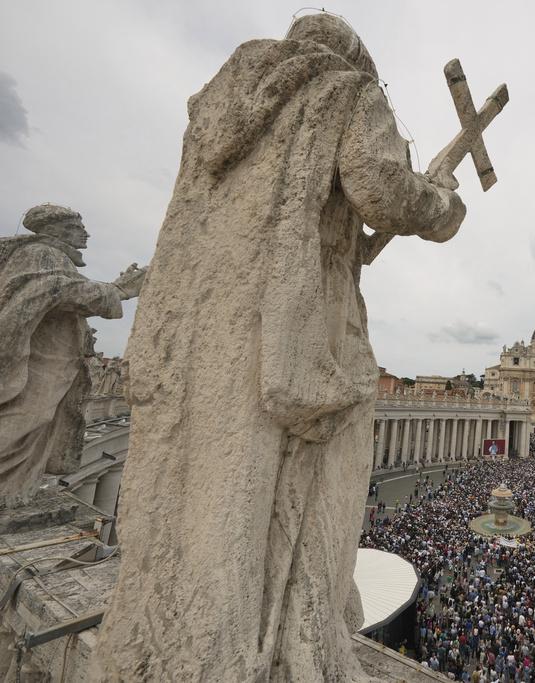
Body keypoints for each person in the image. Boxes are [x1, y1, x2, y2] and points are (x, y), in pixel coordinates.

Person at [91, 13, 465, 682]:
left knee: (212, 485)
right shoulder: (346, 90)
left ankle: (185, 640)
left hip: (211, 323)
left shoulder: (224, 106)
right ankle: (295, 635)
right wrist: (442, 199)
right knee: (323, 479)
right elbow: (381, 189)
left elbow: (337, 217)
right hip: (303, 319)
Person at [0, 204, 144, 506]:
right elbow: (54, 290)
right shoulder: (40, 253)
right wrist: (117, 290)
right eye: (79, 228)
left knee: (36, 421)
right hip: (37, 365)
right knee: (26, 419)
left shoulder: (54, 257)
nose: (86, 233)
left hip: (49, 364)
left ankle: (13, 491)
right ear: (57, 229)